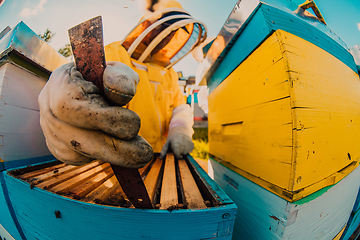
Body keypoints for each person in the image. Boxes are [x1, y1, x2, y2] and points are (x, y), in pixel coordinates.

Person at [38, 0, 207, 168]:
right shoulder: (114, 53)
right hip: (114, 163)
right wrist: (64, 95)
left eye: (173, 33)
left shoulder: (169, 73)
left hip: (161, 159)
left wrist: (181, 130)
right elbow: (79, 87)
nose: (168, 37)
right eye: (165, 28)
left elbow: (179, 107)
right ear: (147, 25)